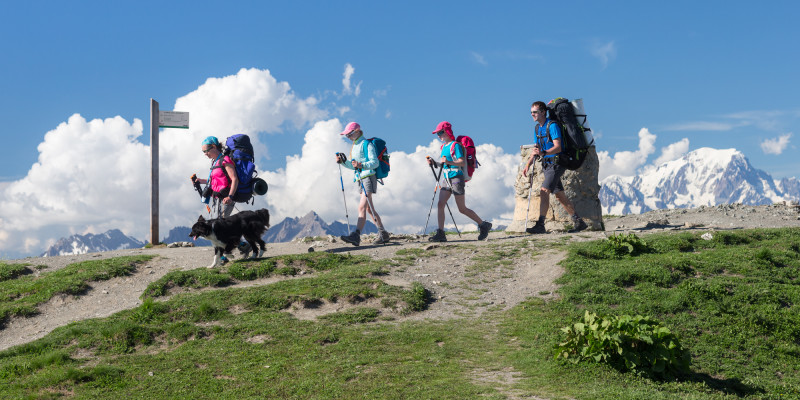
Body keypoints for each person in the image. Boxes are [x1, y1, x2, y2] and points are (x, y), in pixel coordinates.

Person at [522, 101, 588, 234]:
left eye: (535, 112)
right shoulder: (537, 128)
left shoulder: (552, 126)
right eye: (531, 112)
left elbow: (558, 146)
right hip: (547, 164)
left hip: (556, 163)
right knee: (559, 195)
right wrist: (528, 163)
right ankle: (579, 222)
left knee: (544, 190)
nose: (532, 115)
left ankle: (540, 224)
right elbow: (537, 149)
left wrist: (544, 153)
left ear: (543, 112)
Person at [426, 121, 492, 242]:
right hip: (446, 178)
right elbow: (444, 164)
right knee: (440, 203)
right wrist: (434, 163)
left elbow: (461, 162)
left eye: (440, 132)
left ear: (447, 131)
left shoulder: (455, 145)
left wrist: (448, 162)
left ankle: (483, 225)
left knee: (462, 209)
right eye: (437, 133)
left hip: (457, 178)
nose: (439, 135)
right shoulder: (443, 147)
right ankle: (441, 233)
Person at [335, 122, 391, 246]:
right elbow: (353, 165)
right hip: (360, 178)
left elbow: (375, 163)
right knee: (369, 209)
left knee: (362, 207)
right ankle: (383, 234)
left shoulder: (367, 144)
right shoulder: (355, 146)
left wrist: (361, 165)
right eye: (346, 135)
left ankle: (356, 235)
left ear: (357, 131)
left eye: (349, 134)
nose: (348, 137)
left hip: (368, 177)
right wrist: (343, 162)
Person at [195, 136, 239, 218]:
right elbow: (216, 180)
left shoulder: (225, 160)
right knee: (214, 224)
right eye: (203, 152)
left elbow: (234, 179)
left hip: (225, 199)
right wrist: (201, 181)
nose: (205, 154)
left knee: (218, 226)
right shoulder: (215, 163)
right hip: (216, 199)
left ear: (214, 147)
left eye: (206, 151)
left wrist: (230, 196)